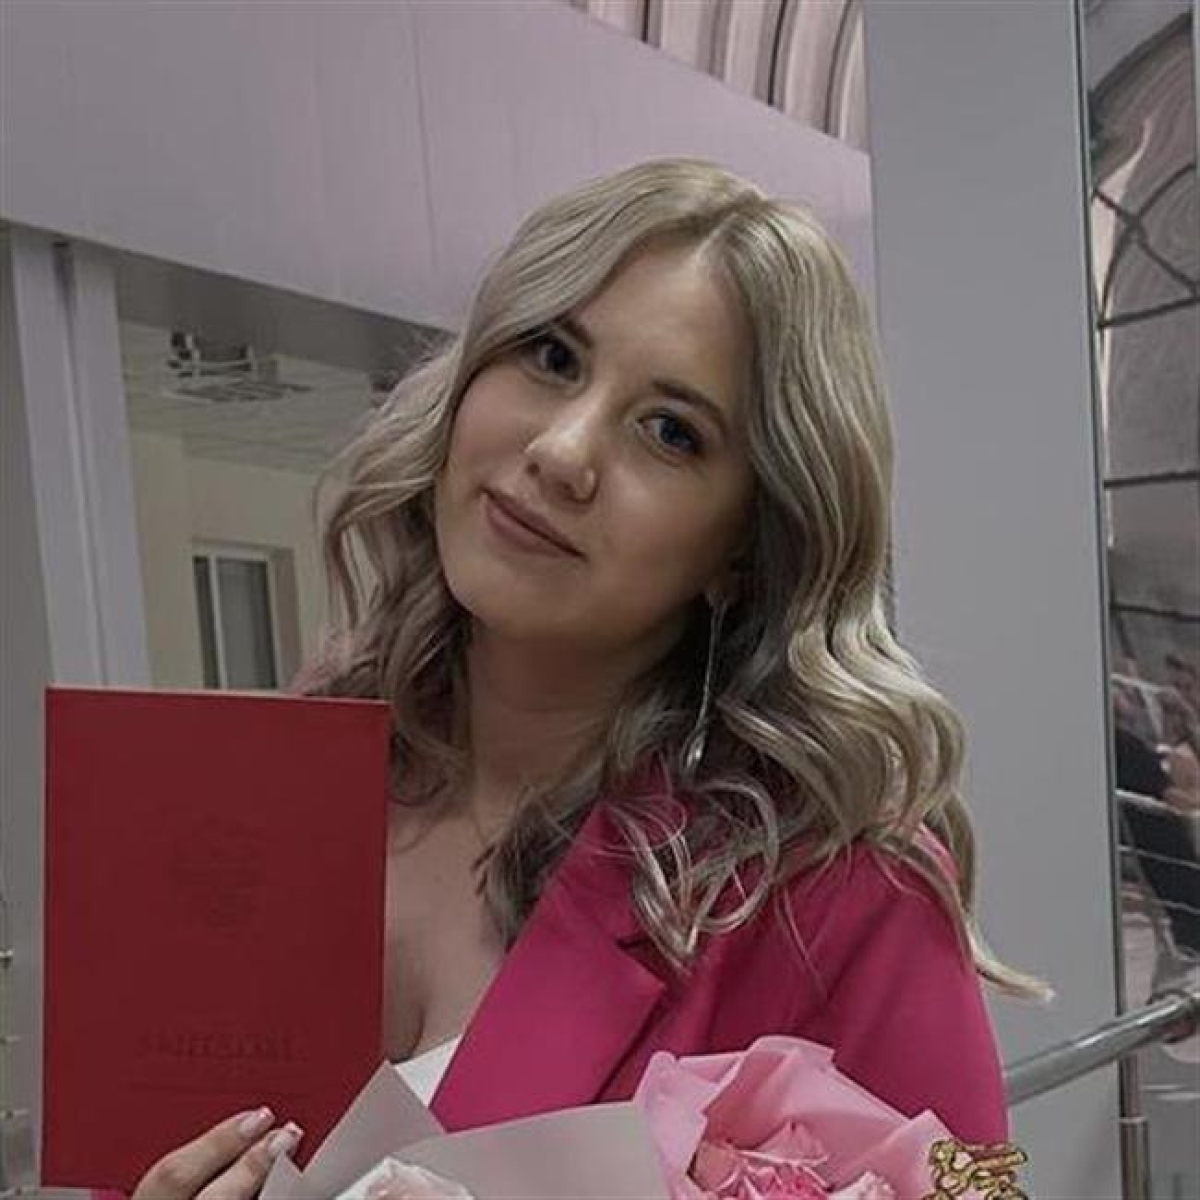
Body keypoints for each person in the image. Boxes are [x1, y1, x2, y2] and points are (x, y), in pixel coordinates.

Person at [128, 159, 1037, 1200]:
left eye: (671, 432)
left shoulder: (840, 889)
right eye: (552, 357)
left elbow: (978, 1190)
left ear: (747, 547)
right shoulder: (270, 798)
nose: (562, 452)